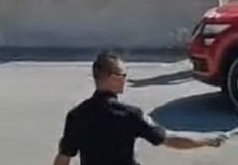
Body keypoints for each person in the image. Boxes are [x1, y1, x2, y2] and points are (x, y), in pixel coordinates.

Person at [53, 52, 225, 164]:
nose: (126, 79)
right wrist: (209, 140)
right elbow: (171, 139)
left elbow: (63, 158)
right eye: (124, 75)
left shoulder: (76, 116)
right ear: (113, 78)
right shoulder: (130, 114)